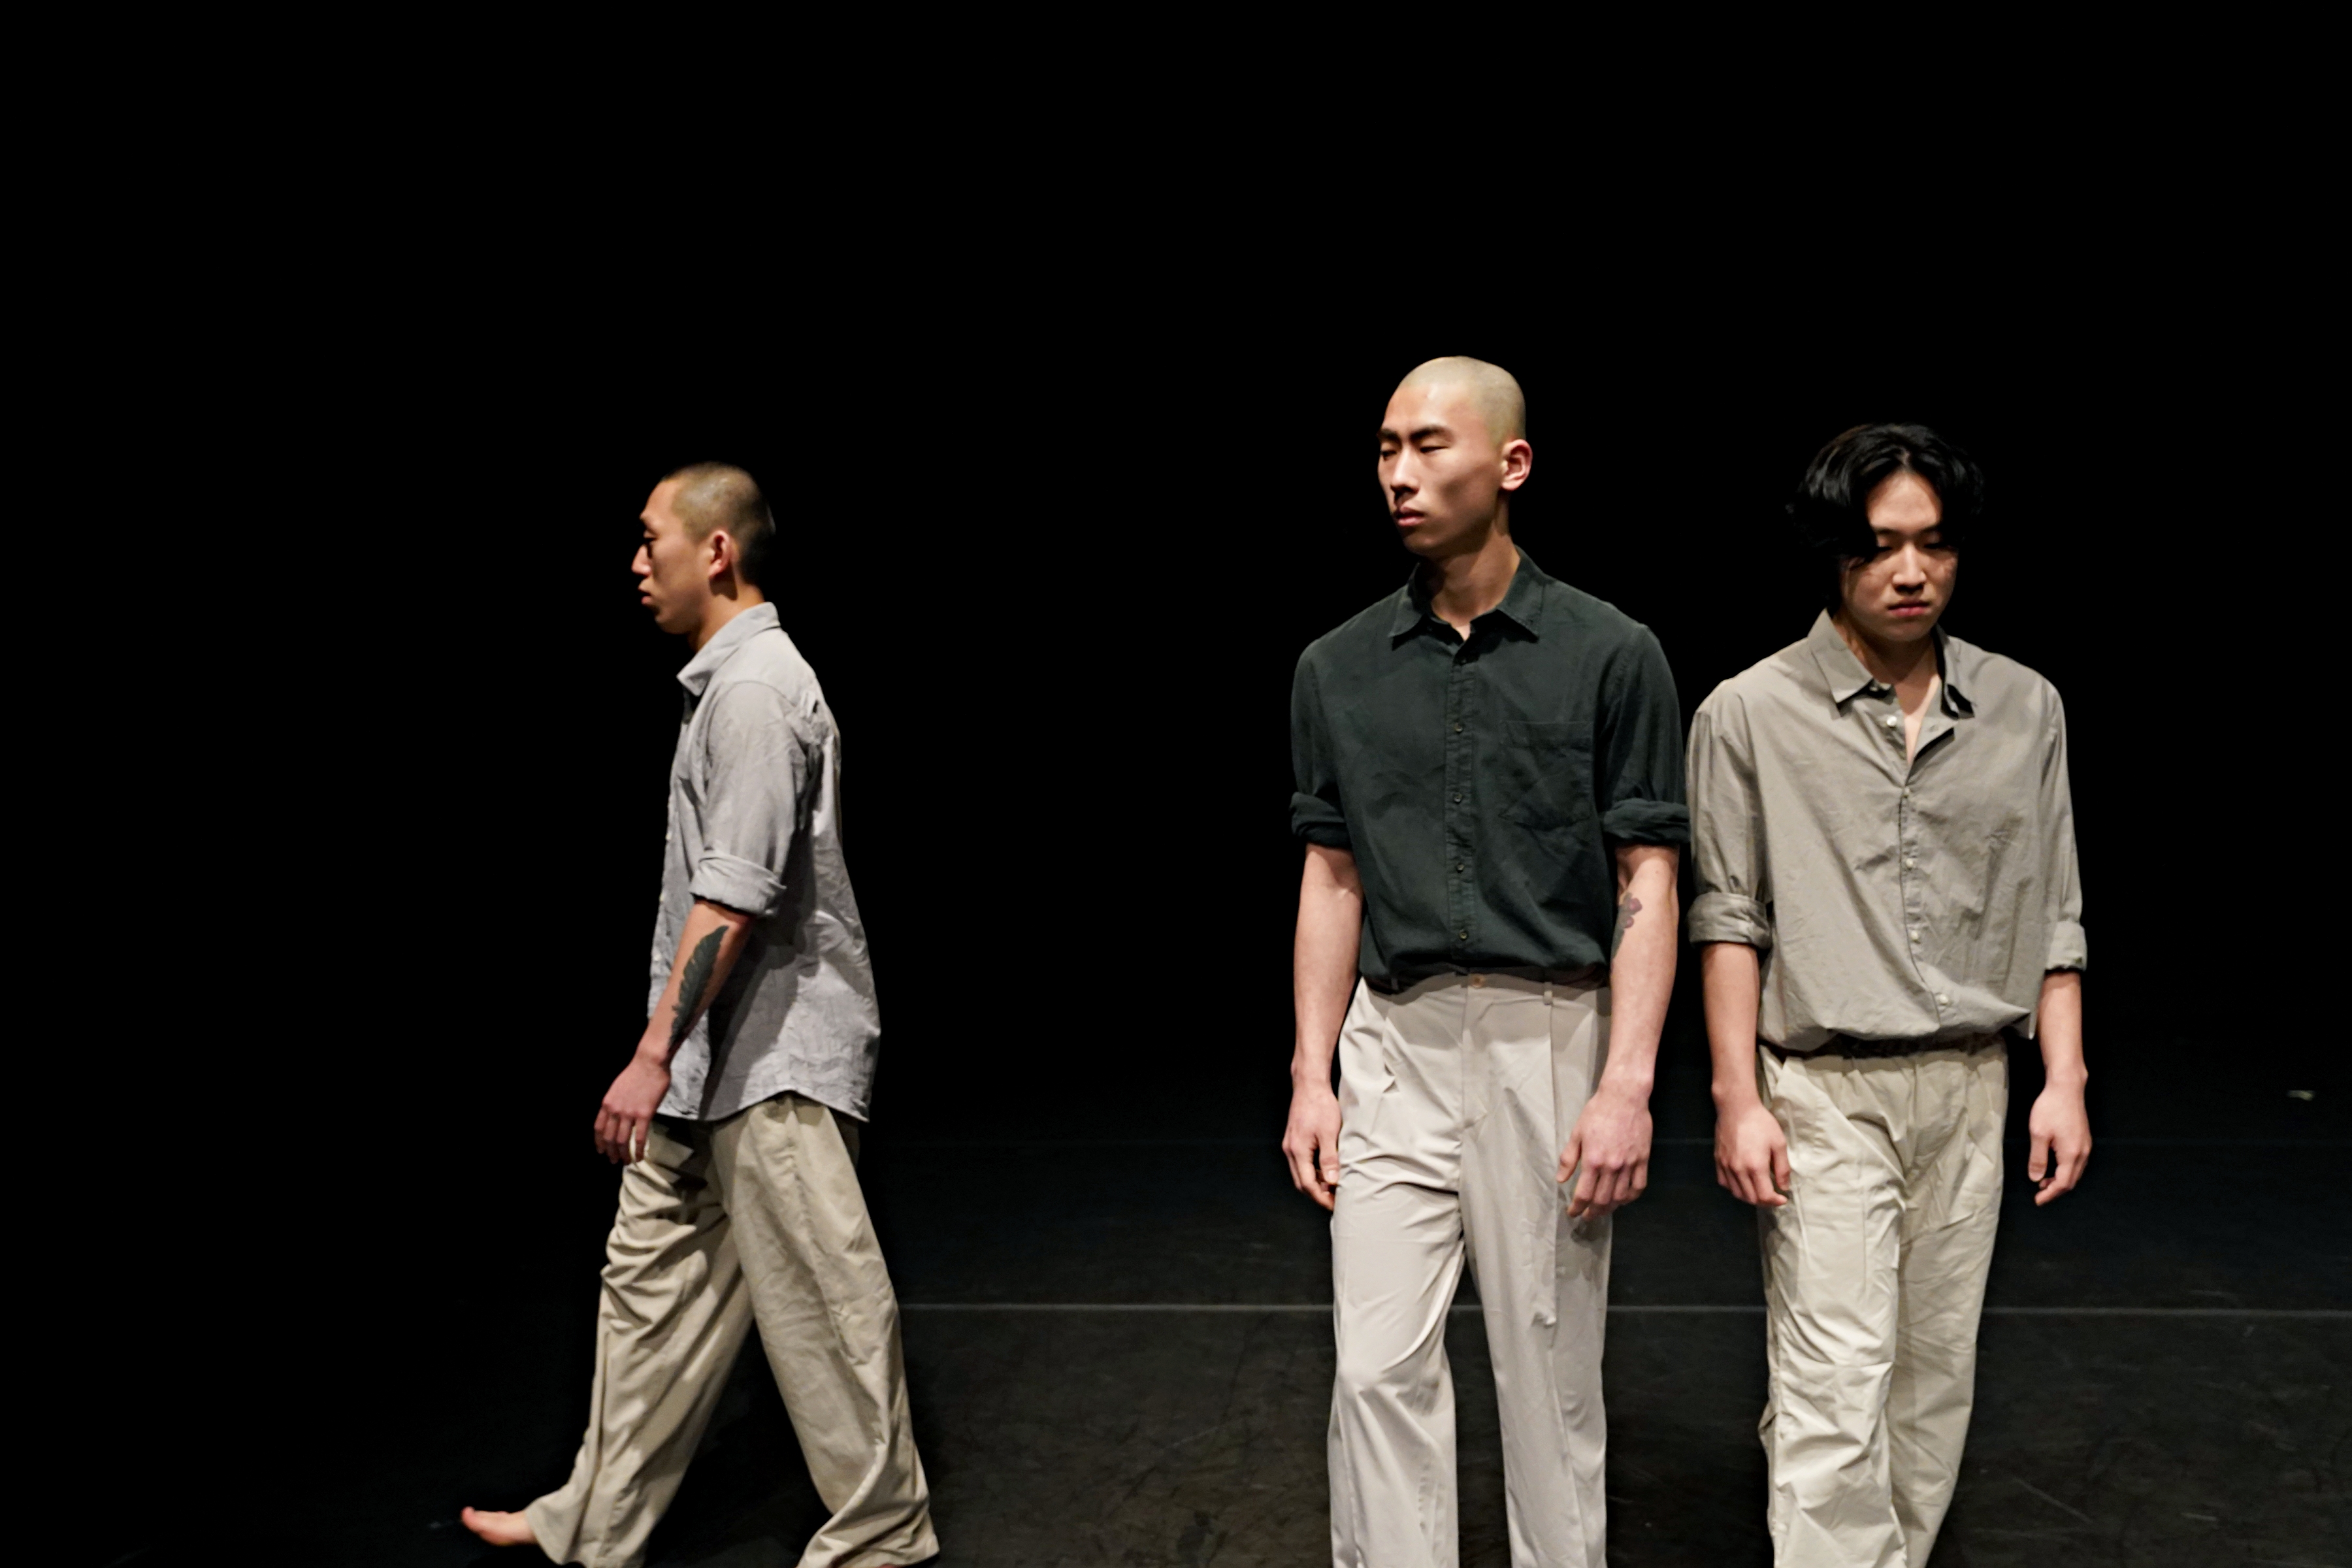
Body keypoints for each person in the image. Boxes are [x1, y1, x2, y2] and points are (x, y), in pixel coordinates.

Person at [462, 464, 936, 1568]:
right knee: (648, 1294)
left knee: (822, 1303)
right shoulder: (722, 687)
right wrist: (672, 1065)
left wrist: (648, 1054)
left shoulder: (760, 690)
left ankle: (882, 1538)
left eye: (649, 539)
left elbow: (734, 897)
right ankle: (593, 1518)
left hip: (772, 1061)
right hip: (707, 1067)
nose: (637, 563)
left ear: (715, 549)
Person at [1284, 357, 1688, 1567]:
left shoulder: (1610, 652)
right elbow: (1332, 878)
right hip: (1394, 1039)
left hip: (1546, 1033)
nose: (1399, 475)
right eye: (1385, 449)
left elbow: (1649, 879)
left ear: (1511, 464)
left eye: (1428, 445)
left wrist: (1626, 1083)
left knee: (1547, 1380)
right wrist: (1311, 1075)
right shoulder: (1338, 667)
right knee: (1374, 1371)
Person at [1688, 423, 2091, 1567]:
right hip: (1822, 1090)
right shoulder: (1750, 712)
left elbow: (2053, 907)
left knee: (1930, 1383)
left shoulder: (2023, 706)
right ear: (1834, 553)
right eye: (1880, 546)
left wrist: (2064, 1078)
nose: (1912, 571)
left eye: (1935, 544)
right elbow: (1729, 917)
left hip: (1971, 1082)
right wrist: (1736, 1097)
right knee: (1833, 1380)